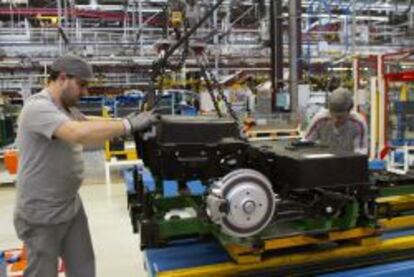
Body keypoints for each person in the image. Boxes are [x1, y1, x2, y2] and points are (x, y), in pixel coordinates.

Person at [14, 54, 159, 277]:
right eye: (82, 85)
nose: (85, 92)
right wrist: (127, 125)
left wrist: (128, 121)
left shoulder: (66, 109)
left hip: (69, 203)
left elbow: (85, 122)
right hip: (41, 210)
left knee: (83, 265)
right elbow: (76, 132)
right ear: (63, 78)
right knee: (42, 272)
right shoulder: (38, 107)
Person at [303, 87, 368, 154]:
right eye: (332, 115)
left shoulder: (358, 124)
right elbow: (305, 146)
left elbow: (360, 154)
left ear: (349, 111)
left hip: (349, 162)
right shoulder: (319, 120)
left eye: (340, 117)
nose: (335, 120)